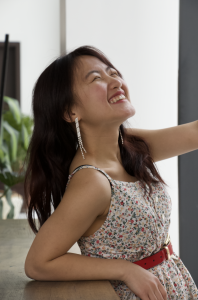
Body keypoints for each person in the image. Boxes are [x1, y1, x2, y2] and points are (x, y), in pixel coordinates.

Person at [24, 45, 198, 300]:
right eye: (96, 78)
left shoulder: (129, 146)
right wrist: (125, 271)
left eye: (113, 72)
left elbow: (194, 134)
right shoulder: (92, 181)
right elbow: (38, 263)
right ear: (71, 111)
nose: (114, 81)